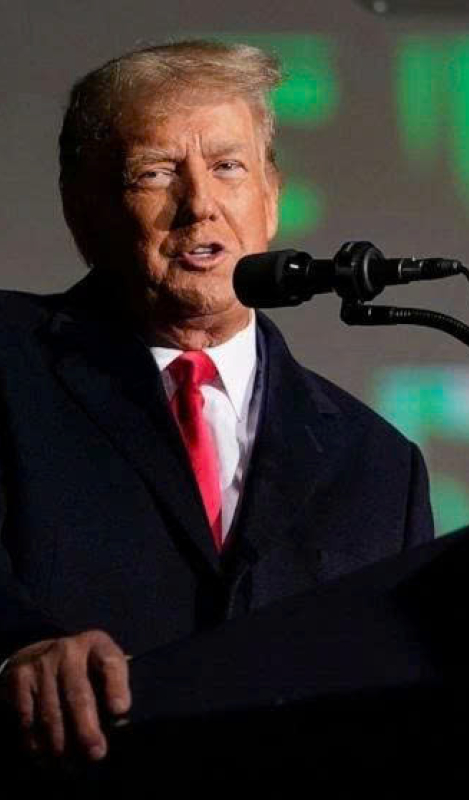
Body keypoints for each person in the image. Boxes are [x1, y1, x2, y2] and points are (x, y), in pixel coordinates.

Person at [0, 40, 434, 765]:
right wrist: (16, 652)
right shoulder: (10, 360)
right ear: (82, 210)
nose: (200, 204)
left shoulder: (380, 466)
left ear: (272, 196)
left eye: (228, 166)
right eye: (155, 173)